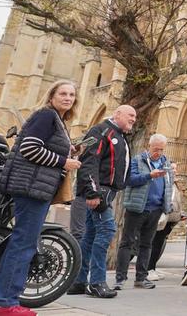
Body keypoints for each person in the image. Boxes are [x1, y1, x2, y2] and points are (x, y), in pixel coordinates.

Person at [0, 80, 82, 316]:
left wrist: (67, 151)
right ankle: (4, 303)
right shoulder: (46, 116)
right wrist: (64, 161)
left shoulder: (55, 119)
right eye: (63, 93)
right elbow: (30, 148)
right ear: (51, 95)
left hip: (35, 187)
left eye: (72, 94)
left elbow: (40, 146)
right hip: (31, 188)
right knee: (24, 243)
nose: (68, 98)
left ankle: (0, 300)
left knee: (20, 242)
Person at [67, 105, 136, 299]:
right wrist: (92, 192)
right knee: (107, 230)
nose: (133, 119)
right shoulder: (101, 130)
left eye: (135, 116)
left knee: (89, 236)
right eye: (130, 115)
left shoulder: (119, 135)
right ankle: (97, 282)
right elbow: (90, 162)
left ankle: (79, 281)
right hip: (100, 192)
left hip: (106, 191)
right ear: (117, 114)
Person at [114, 133, 174, 290]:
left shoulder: (166, 163)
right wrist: (149, 175)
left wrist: (167, 205)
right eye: (156, 149)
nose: (158, 153)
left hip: (155, 209)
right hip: (137, 207)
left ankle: (141, 278)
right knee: (127, 242)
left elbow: (168, 186)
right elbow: (130, 180)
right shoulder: (137, 160)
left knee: (147, 244)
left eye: (161, 149)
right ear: (149, 146)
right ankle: (120, 278)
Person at [146, 179, 182, 281]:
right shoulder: (163, 182)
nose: (175, 170)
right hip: (163, 216)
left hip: (171, 217)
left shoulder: (173, 183)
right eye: (173, 168)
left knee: (159, 243)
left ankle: (152, 268)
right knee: (154, 242)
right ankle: (148, 269)